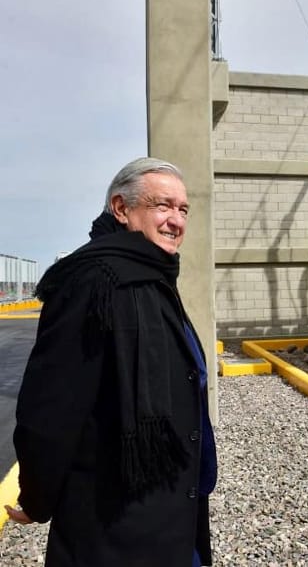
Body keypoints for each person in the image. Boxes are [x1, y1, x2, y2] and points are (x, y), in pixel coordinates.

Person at [4, 157, 217, 566]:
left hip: (172, 510)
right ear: (121, 209)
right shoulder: (92, 282)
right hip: (114, 524)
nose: (176, 220)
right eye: (163, 206)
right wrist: (37, 496)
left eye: (183, 209)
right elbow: (51, 407)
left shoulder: (152, 276)